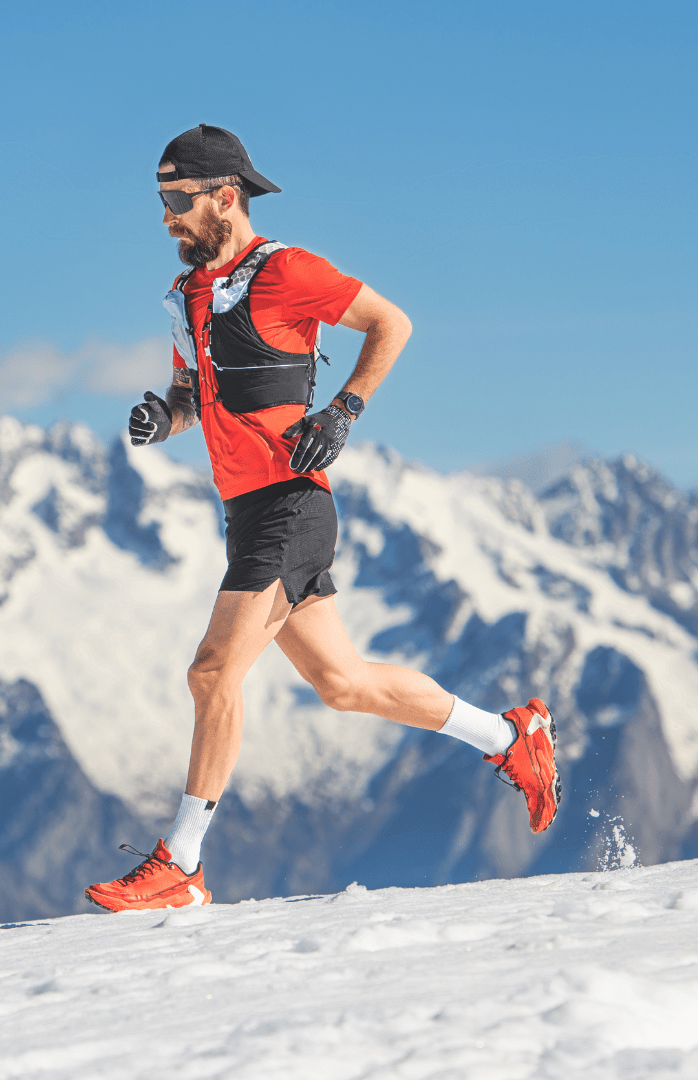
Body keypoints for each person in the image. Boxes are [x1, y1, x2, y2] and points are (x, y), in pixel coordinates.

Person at [84, 124, 560, 913]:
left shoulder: (287, 271)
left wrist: (343, 410)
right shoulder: (186, 297)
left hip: (292, 507)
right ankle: (512, 738)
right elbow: (185, 397)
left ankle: (181, 864)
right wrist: (159, 419)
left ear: (224, 197)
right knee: (342, 684)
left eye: (177, 200)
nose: (166, 217)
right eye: (159, 201)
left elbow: (392, 323)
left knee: (212, 672)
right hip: (246, 513)